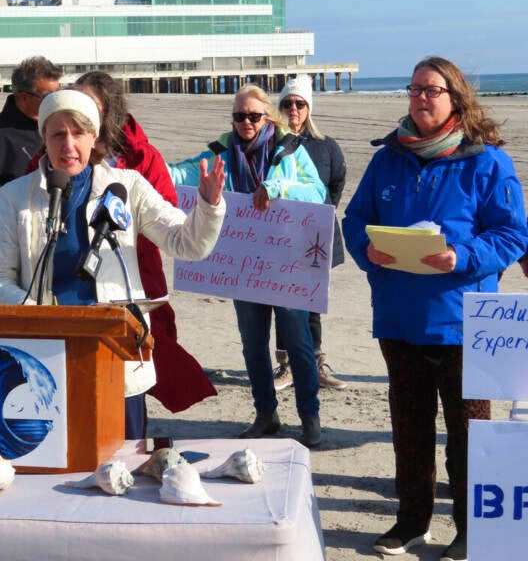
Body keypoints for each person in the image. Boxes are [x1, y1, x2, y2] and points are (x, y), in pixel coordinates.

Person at [342, 56, 528, 561]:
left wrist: (460, 257)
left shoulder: (486, 161)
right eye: (415, 89)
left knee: (469, 435)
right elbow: (355, 220)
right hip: (400, 320)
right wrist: (366, 249)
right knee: (409, 428)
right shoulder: (388, 158)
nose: (422, 97)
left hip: (465, 321)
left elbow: (513, 234)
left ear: (455, 98)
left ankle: (470, 528)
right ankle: (411, 521)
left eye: (433, 90)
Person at [0, 89, 226, 440]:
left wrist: (208, 205)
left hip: (116, 355)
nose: (68, 144)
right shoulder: (15, 196)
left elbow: (186, 243)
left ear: (94, 138)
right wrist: (38, 316)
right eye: (58, 134)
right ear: (43, 140)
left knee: (120, 466)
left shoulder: (127, 186)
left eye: (78, 133)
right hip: (45, 357)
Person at [169, 84, 326, 447]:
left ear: (267, 117)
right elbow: (181, 175)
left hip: (286, 265)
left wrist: (277, 186)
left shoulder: (291, 149)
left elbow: (316, 193)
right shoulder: (222, 151)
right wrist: (143, 165)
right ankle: (266, 414)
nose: (245, 122)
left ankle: (309, 416)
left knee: (299, 343)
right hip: (244, 267)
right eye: (239, 116)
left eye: (253, 116)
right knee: (253, 344)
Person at [74, 71, 218, 420]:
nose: (81, 115)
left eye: (90, 106)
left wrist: (208, 206)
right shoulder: (53, 161)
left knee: (131, 379)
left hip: (133, 277)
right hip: (73, 288)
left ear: (109, 111)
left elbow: (168, 220)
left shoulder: (141, 160)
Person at [273, 75, 348, 391]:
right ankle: (286, 365)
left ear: (308, 108)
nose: (293, 108)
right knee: (281, 302)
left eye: (300, 103)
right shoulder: (270, 144)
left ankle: (315, 363)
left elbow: (337, 183)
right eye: (288, 103)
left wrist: (319, 215)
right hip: (278, 238)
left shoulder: (326, 146)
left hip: (316, 239)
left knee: (312, 304)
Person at [0, 56, 61, 185]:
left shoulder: (64, 127)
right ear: (24, 97)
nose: (56, 100)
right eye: (48, 96)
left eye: (58, 94)